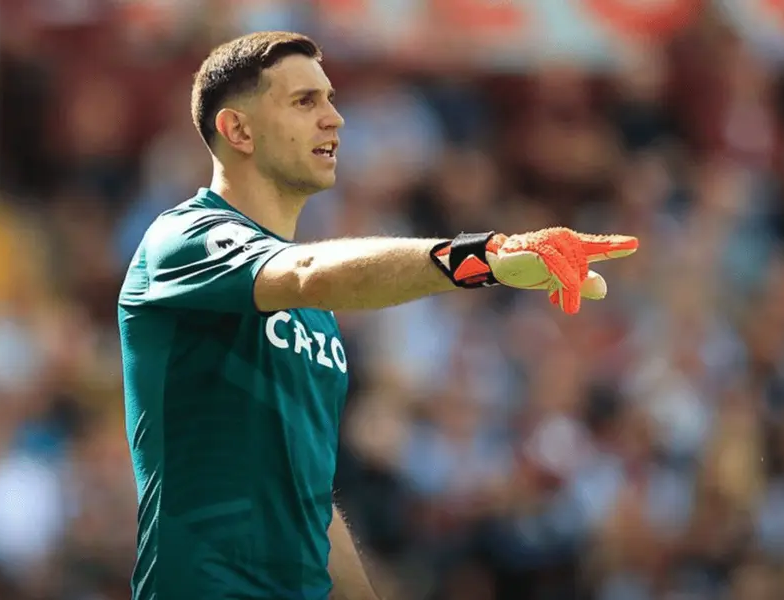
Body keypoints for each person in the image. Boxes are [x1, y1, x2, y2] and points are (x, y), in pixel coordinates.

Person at [117, 31, 638, 600]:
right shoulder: (183, 238)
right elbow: (306, 271)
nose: (334, 118)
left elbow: (308, 505)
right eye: (304, 102)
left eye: (330, 98)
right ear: (238, 130)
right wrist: (482, 258)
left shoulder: (316, 319)